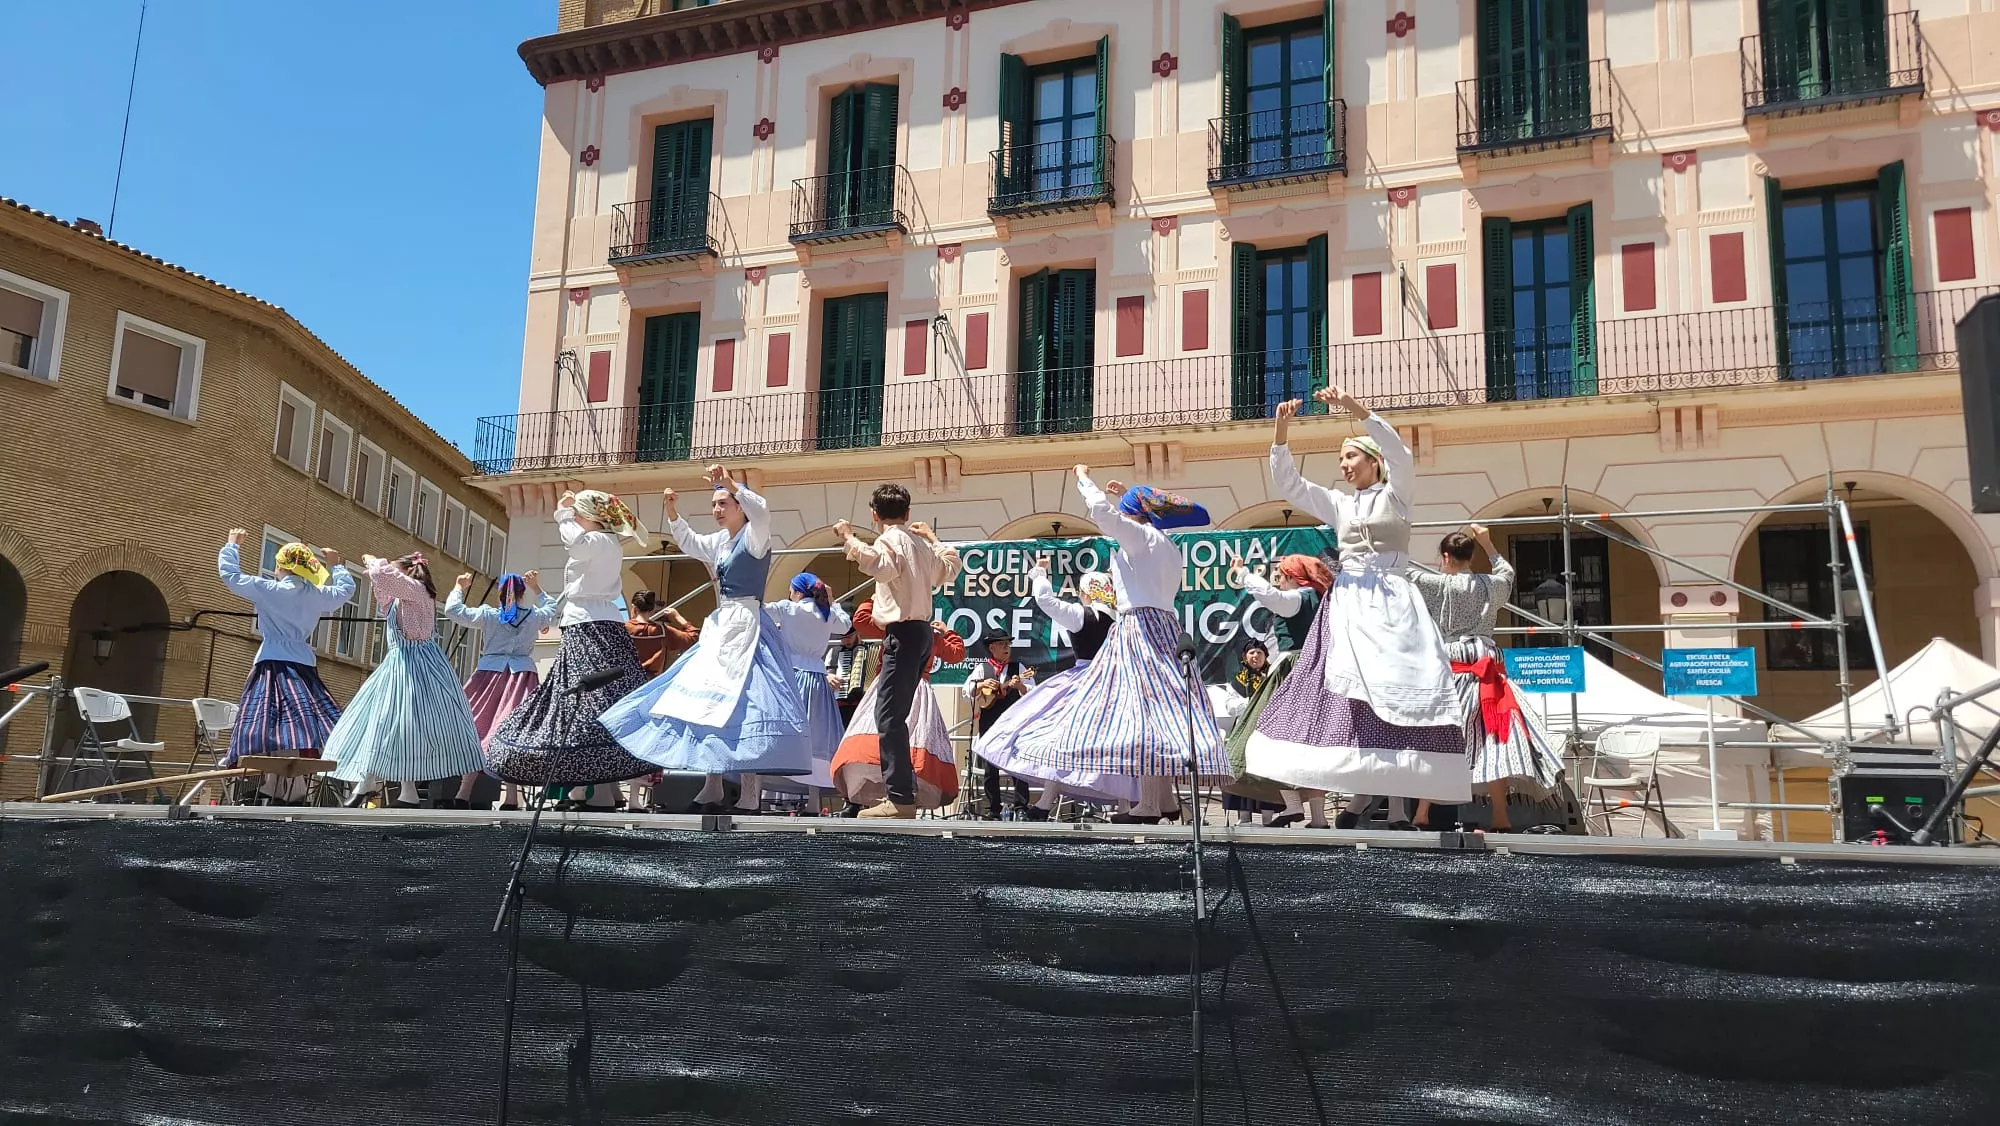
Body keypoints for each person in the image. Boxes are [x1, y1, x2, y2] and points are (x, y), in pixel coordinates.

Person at [1242, 388, 1467, 830]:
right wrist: (1281, 430)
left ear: (1371, 460)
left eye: (1350, 457)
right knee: (1338, 692)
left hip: (1393, 603)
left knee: (1401, 690)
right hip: (1348, 603)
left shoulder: (1397, 494)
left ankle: (1402, 803)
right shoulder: (1340, 504)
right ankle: (1348, 787)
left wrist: (1356, 411)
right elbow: (1289, 485)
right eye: (1341, 461)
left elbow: (1399, 450)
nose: (1344, 466)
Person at [1014, 466, 1226, 826]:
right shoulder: (1167, 546)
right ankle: (1162, 800)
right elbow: (1139, 526)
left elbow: (1104, 515)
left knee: (1140, 712)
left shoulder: (1140, 538)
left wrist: (1084, 480)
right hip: (1165, 626)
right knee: (1160, 711)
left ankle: (1147, 804)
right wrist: (1127, 495)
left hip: (1139, 626)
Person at [598, 466, 810, 815]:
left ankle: (750, 791)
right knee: (708, 702)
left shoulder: (755, 536)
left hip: (748, 626)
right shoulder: (721, 542)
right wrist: (672, 514)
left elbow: (762, 512)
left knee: (746, 704)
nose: (717, 509)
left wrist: (732, 484)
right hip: (722, 625)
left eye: (723, 502)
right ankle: (712, 785)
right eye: (714, 503)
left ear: (739, 505)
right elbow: (692, 543)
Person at [485, 489, 658, 803]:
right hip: (594, 621)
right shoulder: (606, 543)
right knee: (597, 701)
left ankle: (590, 788)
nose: (575, 518)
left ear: (590, 515)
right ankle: (597, 789)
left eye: (579, 513)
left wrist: (562, 514)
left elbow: (575, 544)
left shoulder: (597, 541)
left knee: (584, 702)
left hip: (588, 624)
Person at [1407, 524, 1562, 832]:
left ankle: (1422, 812)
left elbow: (1402, 571)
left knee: (1439, 736)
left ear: (1446, 557)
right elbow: (1507, 571)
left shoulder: (1438, 585)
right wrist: (1488, 544)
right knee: (1496, 740)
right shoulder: (1492, 584)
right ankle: (1500, 817)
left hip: (1455, 667)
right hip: (1488, 667)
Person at [968, 560, 1140, 820]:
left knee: (1061, 741)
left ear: (1086, 592)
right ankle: (1120, 806)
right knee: (1114, 745)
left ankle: (1046, 804)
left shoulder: (1084, 615)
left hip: (1086, 683)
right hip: (1116, 684)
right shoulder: (1121, 620)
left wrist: (1039, 575)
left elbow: (1045, 600)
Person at [836, 484, 962, 819]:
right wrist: (934, 538)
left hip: (903, 634)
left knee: (889, 717)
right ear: (907, 513)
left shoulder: (889, 539)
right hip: (921, 633)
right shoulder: (919, 544)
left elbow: (879, 565)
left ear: (874, 515)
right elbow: (949, 568)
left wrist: (848, 537)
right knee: (893, 716)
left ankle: (901, 798)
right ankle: (902, 795)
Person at [326, 552, 486, 807]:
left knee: (403, 726)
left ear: (406, 571)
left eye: (394, 569)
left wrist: (372, 561)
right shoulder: (405, 595)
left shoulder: (416, 589)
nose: (389, 572)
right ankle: (378, 784)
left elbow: (383, 576)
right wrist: (378, 577)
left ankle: (391, 788)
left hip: (416, 666)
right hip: (399, 664)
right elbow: (384, 592)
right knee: (385, 723)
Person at [217, 531, 355, 804]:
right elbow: (345, 591)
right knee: (299, 725)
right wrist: (336, 564)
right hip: (304, 666)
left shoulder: (270, 589)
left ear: (280, 566)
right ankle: (278, 785)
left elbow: (231, 577)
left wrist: (232, 546)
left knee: (275, 725)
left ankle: (287, 787)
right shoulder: (316, 594)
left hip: (274, 662)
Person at [1225, 555, 1333, 827]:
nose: (1279, 581)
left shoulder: (1298, 598)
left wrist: (1242, 573)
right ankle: (1317, 818)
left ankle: (1294, 806)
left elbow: (1269, 596)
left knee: (1268, 735)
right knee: (1309, 746)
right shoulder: (1322, 600)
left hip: (1293, 671)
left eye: (1282, 576)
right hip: (1318, 671)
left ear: (1292, 578)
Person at [828, 601, 965, 814]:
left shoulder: (894, 627)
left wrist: (877, 598)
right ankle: (891, 798)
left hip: (894, 684)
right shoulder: (929, 635)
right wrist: (948, 632)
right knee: (895, 741)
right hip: (914, 689)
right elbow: (956, 653)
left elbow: (862, 620)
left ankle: (897, 799)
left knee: (887, 736)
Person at [441, 570, 558, 810]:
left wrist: (459, 587)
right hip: (520, 677)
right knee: (513, 732)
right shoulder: (534, 616)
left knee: (476, 729)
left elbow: (453, 611)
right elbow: (553, 610)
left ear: (500, 594)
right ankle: (511, 797)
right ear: (522, 594)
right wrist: (538, 588)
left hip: (488, 676)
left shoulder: (489, 615)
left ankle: (464, 792)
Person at [766, 572, 854, 809]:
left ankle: (773, 796)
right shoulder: (826, 613)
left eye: (791, 590)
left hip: (791, 676)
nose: (789, 594)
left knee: (784, 733)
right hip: (817, 679)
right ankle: (814, 801)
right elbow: (846, 626)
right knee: (817, 739)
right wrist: (832, 601)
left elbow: (759, 612)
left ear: (797, 591)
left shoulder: (788, 609)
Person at [964, 633, 1033, 818]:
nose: (1006, 647)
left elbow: (1033, 692)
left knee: (1017, 765)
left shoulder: (1018, 668)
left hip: (1013, 724)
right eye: (1002, 644)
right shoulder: (982, 669)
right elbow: (967, 691)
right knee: (990, 768)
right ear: (991, 648)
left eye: (1008, 644)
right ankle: (993, 808)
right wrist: (980, 685)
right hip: (989, 724)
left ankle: (1020, 807)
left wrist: (1020, 687)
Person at [626, 589, 698, 677]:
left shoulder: (623, 629)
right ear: (652, 609)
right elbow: (693, 638)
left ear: (634, 607)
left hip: (626, 680)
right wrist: (677, 617)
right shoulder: (662, 631)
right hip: (651, 682)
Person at [825, 625, 873, 726]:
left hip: (867, 706)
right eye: (842, 638)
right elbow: (826, 674)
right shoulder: (834, 652)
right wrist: (829, 677)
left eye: (849, 637)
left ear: (858, 634)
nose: (845, 641)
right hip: (842, 706)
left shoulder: (872, 650)